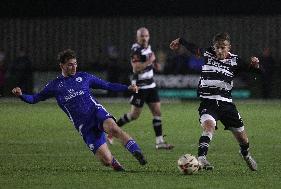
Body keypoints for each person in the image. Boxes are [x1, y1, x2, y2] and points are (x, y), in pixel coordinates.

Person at [12, 49, 147, 171]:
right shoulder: (54, 86)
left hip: (96, 112)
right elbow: (35, 98)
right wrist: (21, 95)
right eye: (70, 64)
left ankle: (137, 152)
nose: (74, 67)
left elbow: (107, 85)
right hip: (84, 125)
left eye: (75, 63)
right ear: (62, 65)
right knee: (106, 160)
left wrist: (127, 88)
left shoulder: (84, 77)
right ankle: (114, 163)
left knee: (114, 129)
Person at [170, 32, 261, 171]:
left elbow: (257, 73)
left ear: (229, 47)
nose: (219, 50)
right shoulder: (208, 53)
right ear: (213, 47)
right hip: (208, 102)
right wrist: (180, 40)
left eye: (223, 47)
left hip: (227, 104)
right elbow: (193, 48)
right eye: (217, 47)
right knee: (209, 127)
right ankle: (201, 158)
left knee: (243, 139)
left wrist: (256, 66)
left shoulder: (236, 61)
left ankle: (245, 154)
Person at [108, 27, 174, 150]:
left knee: (157, 112)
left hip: (151, 86)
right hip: (140, 87)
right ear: (137, 37)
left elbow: (149, 61)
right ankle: (111, 130)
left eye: (146, 36)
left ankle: (159, 142)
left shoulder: (147, 47)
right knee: (134, 115)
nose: (144, 38)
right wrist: (150, 61)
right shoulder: (136, 49)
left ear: (149, 36)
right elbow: (136, 68)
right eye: (142, 36)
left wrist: (155, 64)